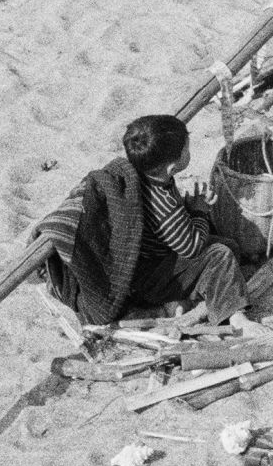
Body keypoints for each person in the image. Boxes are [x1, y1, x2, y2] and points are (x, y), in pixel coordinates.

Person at [35, 115, 253, 329]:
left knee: (230, 246)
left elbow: (168, 229)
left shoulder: (143, 178)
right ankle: (236, 319)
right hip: (149, 276)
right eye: (187, 150)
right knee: (221, 254)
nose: (189, 152)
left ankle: (184, 300)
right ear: (172, 167)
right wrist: (199, 212)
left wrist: (188, 209)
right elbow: (191, 248)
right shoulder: (164, 204)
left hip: (148, 261)